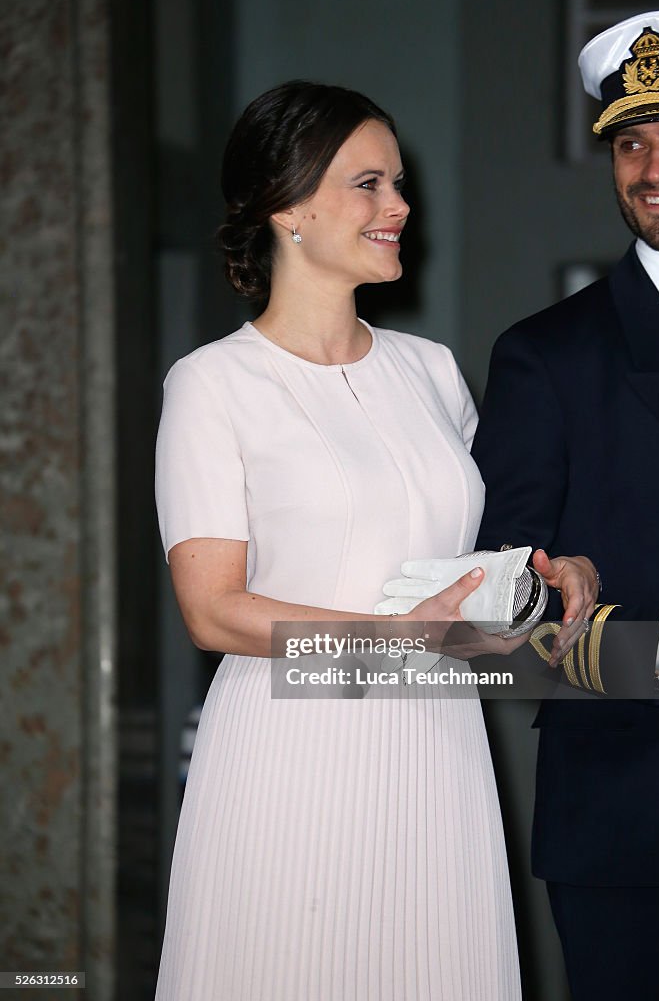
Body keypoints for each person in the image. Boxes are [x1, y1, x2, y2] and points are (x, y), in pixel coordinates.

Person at [154, 81, 596, 1000]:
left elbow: (460, 577)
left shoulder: (429, 371)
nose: (399, 206)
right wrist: (401, 639)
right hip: (288, 750)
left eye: (397, 183)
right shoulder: (211, 385)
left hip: (437, 748)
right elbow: (212, 611)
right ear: (288, 206)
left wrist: (541, 582)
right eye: (369, 184)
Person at [471, 11, 659, 1001]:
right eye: (630, 140)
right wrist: (637, 637)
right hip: (627, 821)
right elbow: (497, 614)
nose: (653, 165)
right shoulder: (542, 355)